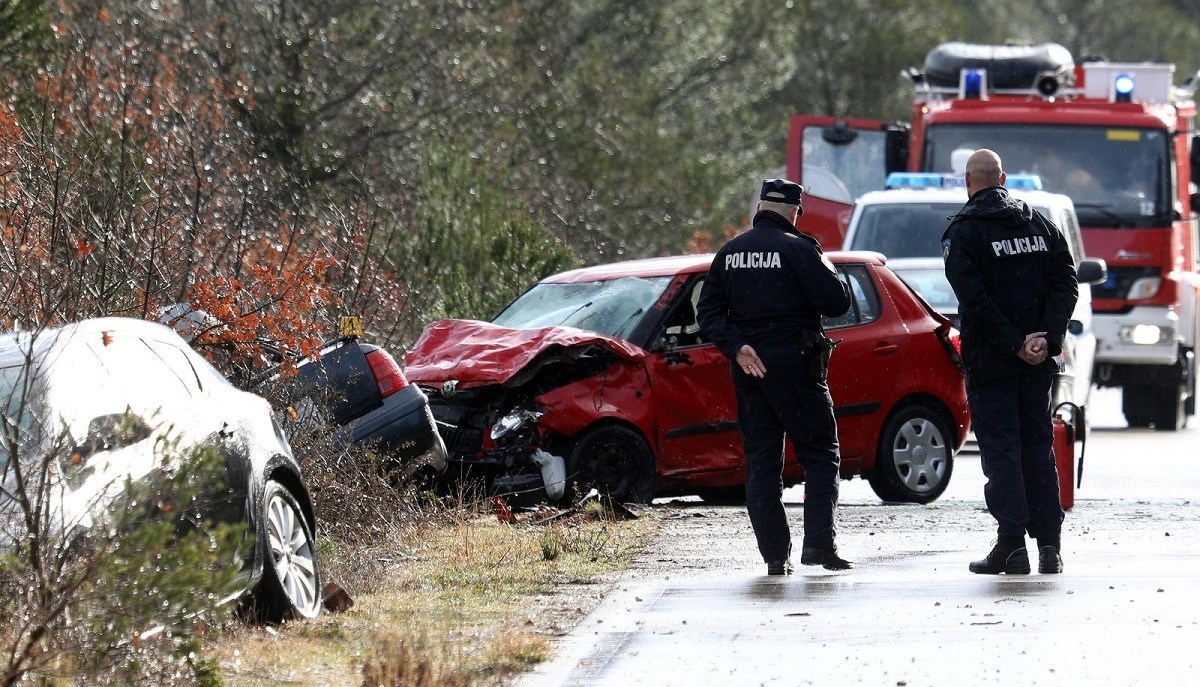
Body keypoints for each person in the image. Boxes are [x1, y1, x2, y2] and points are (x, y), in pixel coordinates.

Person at [696, 178, 853, 575]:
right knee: (820, 453)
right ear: (795, 211)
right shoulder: (800, 249)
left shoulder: (729, 253)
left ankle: (774, 555)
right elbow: (837, 302)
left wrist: (737, 346)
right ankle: (818, 545)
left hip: (749, 367)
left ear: (761, 206)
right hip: (796, 364)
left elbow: (708, 313)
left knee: (762, 461)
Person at [942, 149, 1079, 575]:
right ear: (1002, 178)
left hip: (994, 362)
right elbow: (1066, 282)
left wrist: (1015, 343)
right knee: (1038, 448)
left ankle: (1012, 545)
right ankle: (1050, 547)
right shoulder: (1040, 223)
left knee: (1001, 451)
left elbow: (975, 302)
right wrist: (1047, 339)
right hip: (1036, 362)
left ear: (969, 181)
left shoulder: (963, 233)